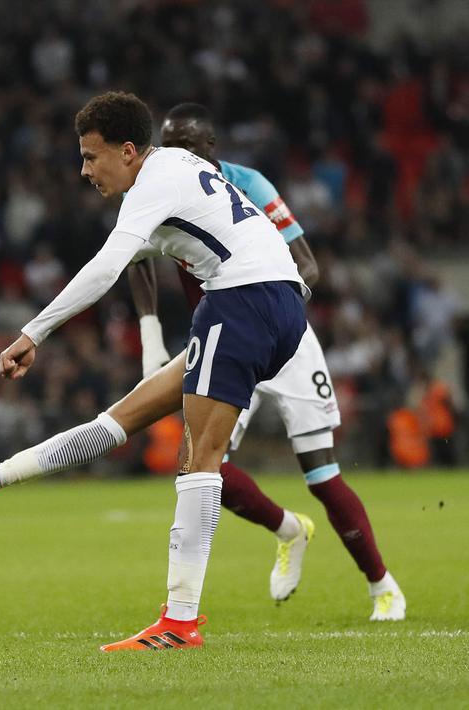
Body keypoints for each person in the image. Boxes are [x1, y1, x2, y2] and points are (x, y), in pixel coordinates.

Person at [0, 91, 309, 652]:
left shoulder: (153, 184)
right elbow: (132, 265)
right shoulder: (177, 170)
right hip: (278, 305)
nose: (84, 170)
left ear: (129, 151)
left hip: (244, 300)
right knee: (122, 418)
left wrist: (32, 332)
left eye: (91, 156)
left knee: (197, 461)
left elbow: (105, 267)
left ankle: (180, 624)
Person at [126, 102, 404, 620]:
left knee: (321, 474)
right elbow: (135, 259)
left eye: (186, 145)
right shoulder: (161, 190)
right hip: (223, 342)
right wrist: (149, 334)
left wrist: (267, 318)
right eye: (168, 145)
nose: (175, 156)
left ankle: (382, 585)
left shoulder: (247, 183)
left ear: (210, 147)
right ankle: (288, 530)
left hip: (281, 335)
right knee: (200, 467)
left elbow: (308, 266)